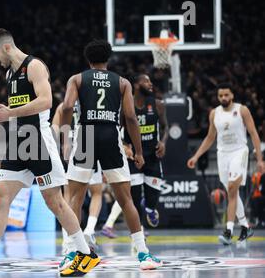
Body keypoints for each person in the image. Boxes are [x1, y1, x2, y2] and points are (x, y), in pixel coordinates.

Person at [0, 28, 100, 278]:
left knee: (56, 203)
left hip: (38, 141)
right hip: (19, 143)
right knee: (0, 198)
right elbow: (11, 110)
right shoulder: (10, 73)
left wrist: (10, 113)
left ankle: (85, 254)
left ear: (7, 47)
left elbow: (46, 101)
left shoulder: (34, 66)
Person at [60, 39, 162, 270]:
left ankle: (70, 251)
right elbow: (131, 118)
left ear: (88, 60)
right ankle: (143, 254)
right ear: (108, 59)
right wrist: (137, 151)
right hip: (110, 135)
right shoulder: (122, 82)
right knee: (126, 199)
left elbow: (66, 107)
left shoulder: (76, 79)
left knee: (74, 198)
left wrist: (66, 140)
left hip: (85, 135)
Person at [187, 83, 264, 244]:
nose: (223, 98)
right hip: (222, 154)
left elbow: (253, 133)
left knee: (231, 189)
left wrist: (259, 159)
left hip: (239, 151)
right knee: (231, 192)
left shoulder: (242, 110)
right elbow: (209, 138)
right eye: (221, 95)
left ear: (232, 95)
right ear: (218, 97)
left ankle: (228, 230)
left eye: (226, 95)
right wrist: (196, 156)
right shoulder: (214, 113)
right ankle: (245, 226)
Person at [101, 74, 169, 235]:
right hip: (133, 158)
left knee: (152, 199)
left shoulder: (158, 105)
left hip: (153, 156)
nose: (150, 84)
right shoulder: (125, 106)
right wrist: (124, 145)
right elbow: (115, 129)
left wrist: (163, 142)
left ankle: (151, 208)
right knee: (135, 197)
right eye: (147, 81)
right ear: (137, 85)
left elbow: (166, 127)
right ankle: (140, 231)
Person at [52, 102, 103, 253]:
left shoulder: (62, 107)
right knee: (96, 192)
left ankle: (68, 241)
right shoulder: (90, 102)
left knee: (67, 197)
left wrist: (56, 150)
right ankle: (89, 230)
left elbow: (54, 130)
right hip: (89, 147)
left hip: (68, 152)